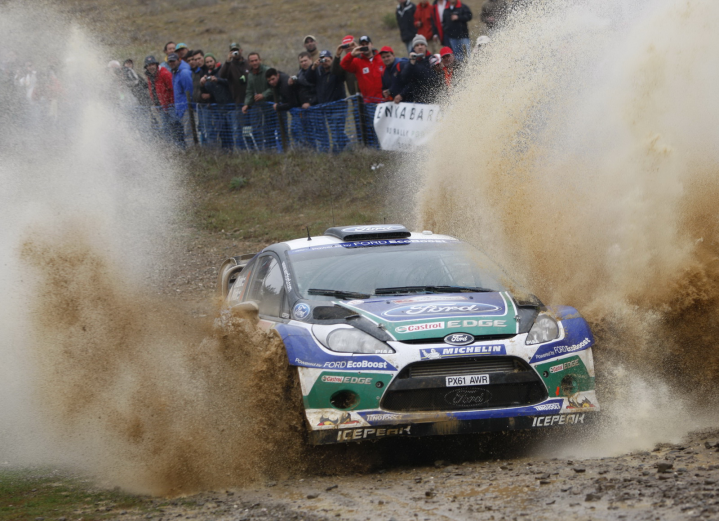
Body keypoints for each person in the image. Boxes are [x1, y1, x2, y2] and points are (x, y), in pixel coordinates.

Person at [307, 50, 348, 152]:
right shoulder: (318, 71)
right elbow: (308, 79)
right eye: (322, 60)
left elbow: (341, 74)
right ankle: (348, 146)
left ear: (331, 59)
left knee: (336, 129)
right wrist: (313, 67)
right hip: (326, 106)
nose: (324, 62)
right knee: (335, 129)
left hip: (338, 105)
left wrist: (335, 63)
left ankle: (337, 152)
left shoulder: (336, 70)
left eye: (326, 59)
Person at [339, 35, 385, 102]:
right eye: (362, 45)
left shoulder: (382, 58)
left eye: (367, 44)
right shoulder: (357, 61)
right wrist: (352, 54)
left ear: (371, 44)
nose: (365, 46)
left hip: (383, 100)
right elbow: (343, 64)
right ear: (359, 46)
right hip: (368, 102)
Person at [242, 52, 273, 149]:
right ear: (249, 62)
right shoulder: (250, 74)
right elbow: (249, 91)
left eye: (256, 60)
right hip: (258, 105)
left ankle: (272, 149)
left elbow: (274, 87)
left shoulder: (267, 71)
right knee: (257, 129)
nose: (254, 63)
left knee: (269, 128)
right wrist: (247, 104)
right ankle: (261, 150)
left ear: (260, 60)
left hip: (270, 105)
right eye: (252, 61)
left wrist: (263, 95)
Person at [394, 34, 435, 103]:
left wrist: (416, 67)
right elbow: (404, 78)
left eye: (422, 44)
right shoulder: (411, 62)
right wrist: (411, 64)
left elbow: (431, 78)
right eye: (417, 45)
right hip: (417, 99)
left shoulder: (432, 59)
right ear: (414, 48)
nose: (420, 47)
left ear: (426, 46)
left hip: (432, 97)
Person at [144, 55, 176, 140]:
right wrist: (155, 103)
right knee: (165, 129)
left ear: (156, 65)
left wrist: (171, 103)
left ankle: (179, 145)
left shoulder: (165, 74)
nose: (151, 67)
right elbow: (152, 91)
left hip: (170, 106)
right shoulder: (149, 76)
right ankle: (168, 145)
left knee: (175, 127)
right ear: (146, 67)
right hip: (160, 107)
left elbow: (172, 89)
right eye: (148, 65)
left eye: (152, 64)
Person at [167, 52, 193, 146]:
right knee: (185, 132)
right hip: (180, 108)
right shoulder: (175, 72)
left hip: (187, 108)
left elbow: (189, 91)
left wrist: (189, 106)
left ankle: (193, 151)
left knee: (189, 132)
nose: (172, 63)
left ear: (179, 60)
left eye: (173, 61)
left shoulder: (184, 72)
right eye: (170, 61)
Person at [219, 42, 251, 107]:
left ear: (241, 50)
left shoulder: (248, 63)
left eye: (236, 50)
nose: (235, 52)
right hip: (238, 100)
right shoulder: (229, 65)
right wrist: (228, 61)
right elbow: (222, 75)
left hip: (250, 99)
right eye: (233, 51)